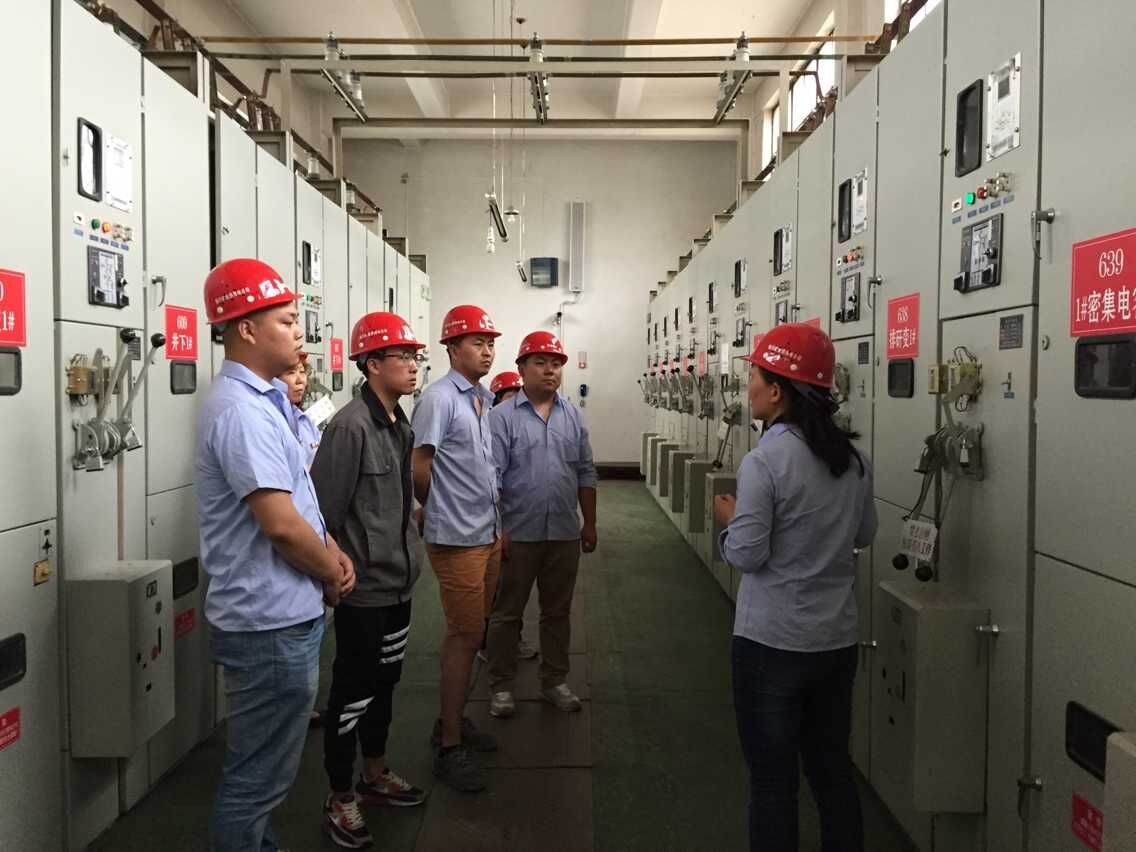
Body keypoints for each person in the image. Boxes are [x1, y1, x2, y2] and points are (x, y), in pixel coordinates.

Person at [195, 258, 355, 852]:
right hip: (268, 624)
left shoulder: (264, 404)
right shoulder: (242, 411)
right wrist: (331, 573)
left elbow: (297, 497)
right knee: (255, 781)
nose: (299, 332)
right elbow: (282, 528)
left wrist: (331, 549)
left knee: (265, 775)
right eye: (287, 321)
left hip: (282, 615)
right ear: (246, 329)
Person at [712, 323, 876, 852]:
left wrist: (730, 520)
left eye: (755, 379)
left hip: (772, 644)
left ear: (777, 390)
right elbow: (865, 534)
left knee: (773, 781)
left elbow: (747, 554)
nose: (749, 390)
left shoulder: (765, 461)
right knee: (831, 771)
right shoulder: (854, 460)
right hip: (835, 642)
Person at [310, 312, 429, 848]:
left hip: (399, 584)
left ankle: (374, 774)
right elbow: (323, 515)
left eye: (414, 356)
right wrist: (333, 576)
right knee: (352, 693)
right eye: (403, 356)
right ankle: (340, 794)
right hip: (364, 591)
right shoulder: (350, 426)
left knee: (385, 684)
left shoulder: (400, 424)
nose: (413, 364)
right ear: (372, 363)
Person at [410, 304, 503, 792]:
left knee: (473, 633)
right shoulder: (439, 399)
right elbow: (419, 464)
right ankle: (449, 745)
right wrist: (436, 507)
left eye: (491, 343)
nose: (487, 351)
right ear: (451, 348)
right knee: (464, 635)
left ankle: (452, 719)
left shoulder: (482, 399)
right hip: (458, 537)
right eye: (477, 342)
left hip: (486, 532)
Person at [485, 331, 597, 718]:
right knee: (507, 613)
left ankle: (554, 681)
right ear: (521, 368)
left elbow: (585, 471)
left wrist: (589, 523)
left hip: (564, 532)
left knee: (557, 612)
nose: (550, 370)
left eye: (556, 364)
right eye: (540, 362)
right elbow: (493, 479)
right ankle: (501, 685)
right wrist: (500, 530)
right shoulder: (501, 418)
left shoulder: (573, 416)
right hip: (518, 533)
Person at [485, 370, 538, 662]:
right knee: (497, 590)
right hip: (496, 522)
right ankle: (489, 645)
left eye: (518, 396)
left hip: (520, 521)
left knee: (511, 590)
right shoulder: (492, 429)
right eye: (508, 396)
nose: (515, 401)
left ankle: (510, 641)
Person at [279, 352, 321, 466]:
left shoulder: (305, 421)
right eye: (291, 372)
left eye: (302, 372)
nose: (300, 380)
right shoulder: (272, 420)